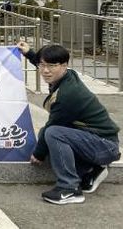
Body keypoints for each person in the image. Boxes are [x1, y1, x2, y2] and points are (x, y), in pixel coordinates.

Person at [17, 42, 120, 205]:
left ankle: (69, 189)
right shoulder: (66, 75)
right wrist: (29, 53)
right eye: (42, 65)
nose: (45, 70)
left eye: (51, 66)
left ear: (64, 65)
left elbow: (52, 126)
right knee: (48, 135)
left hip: (105, 145)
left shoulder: (68, 94)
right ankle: (90, 170)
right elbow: (45, 63)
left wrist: (38, 154)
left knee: (52, 133)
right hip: (94, 140)